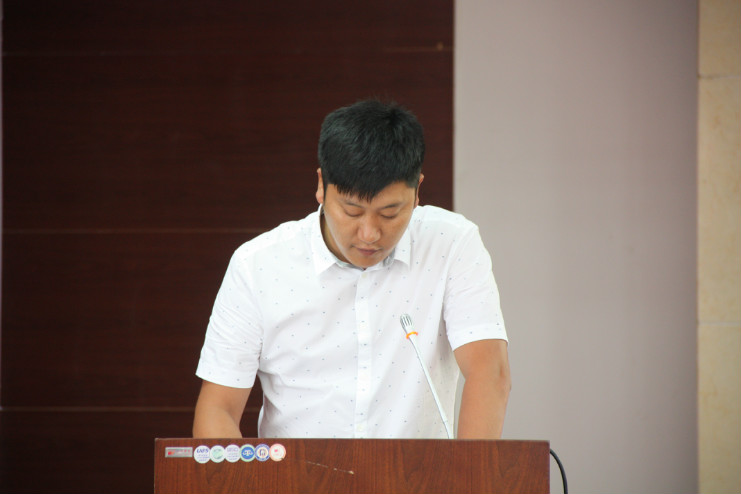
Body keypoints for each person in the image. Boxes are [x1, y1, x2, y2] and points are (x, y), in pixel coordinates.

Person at [193, 99, 510, 439]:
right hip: (295, 470)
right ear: (321, 185)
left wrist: (469, 470)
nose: (369, 234)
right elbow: (218, 409)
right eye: (352, 211)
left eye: (389, 213)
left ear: (418, 190)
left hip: (418, 471)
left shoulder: (452, 243)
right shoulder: (257, 265)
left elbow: (489, 373)